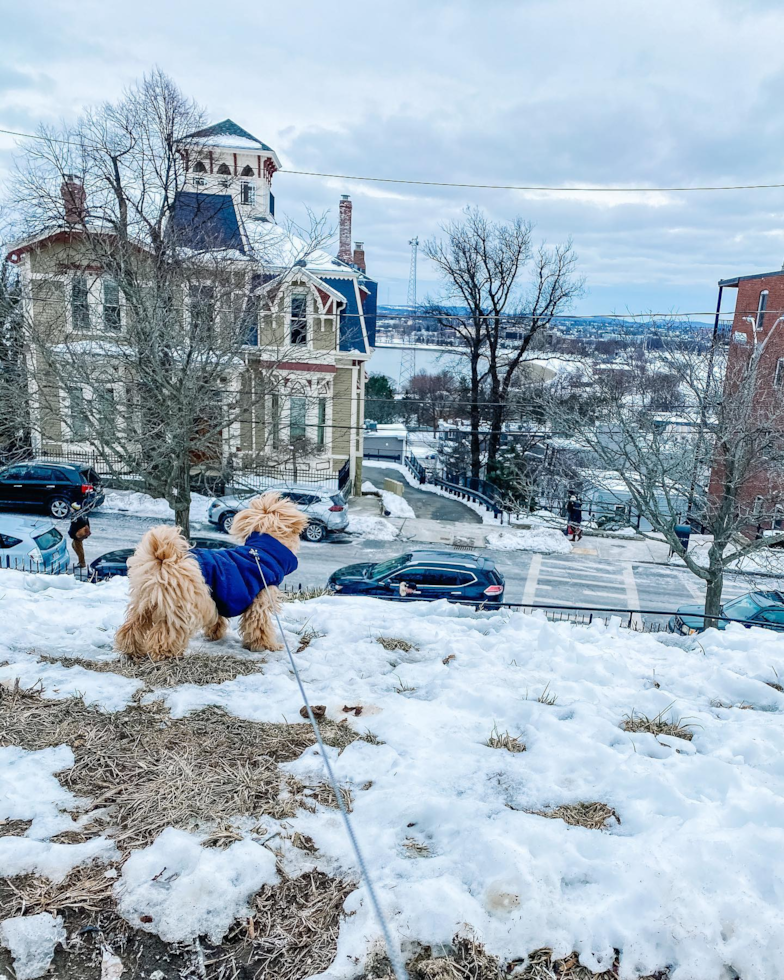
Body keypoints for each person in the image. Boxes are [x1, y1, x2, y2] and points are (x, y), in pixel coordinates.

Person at [68, 502, 91, 569]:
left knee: (79, 549)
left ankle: (82, 563)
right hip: (79, 536)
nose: (70, 509)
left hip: (78, 536)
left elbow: (74, 528)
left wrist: (74, 536)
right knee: (74, 546)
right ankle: (81, 561)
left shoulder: (76, 517)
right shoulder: (82, 515)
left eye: (71, 508)